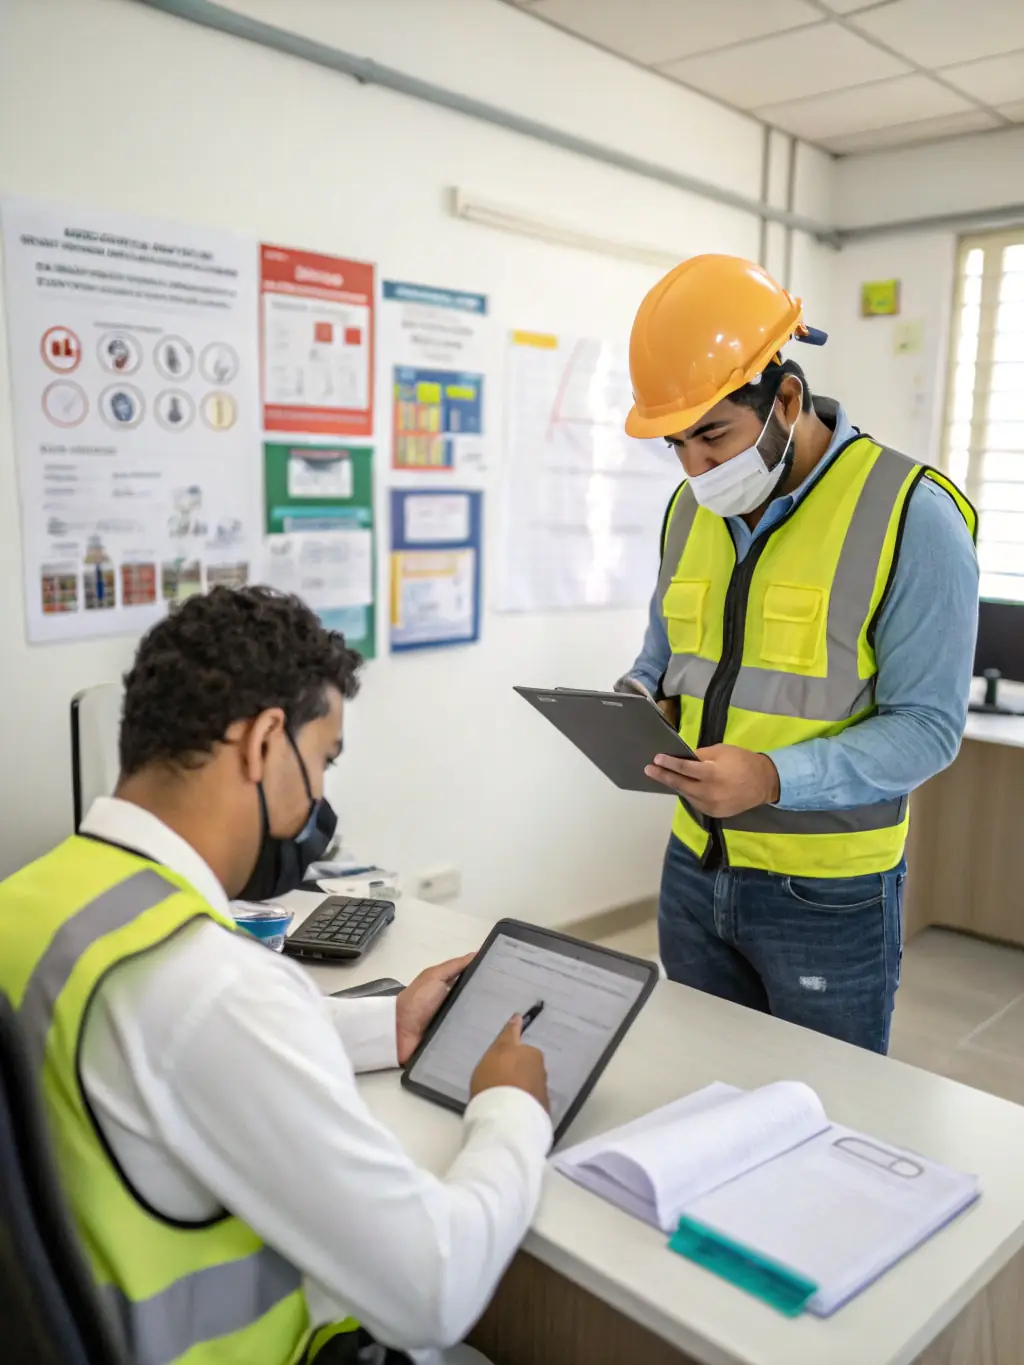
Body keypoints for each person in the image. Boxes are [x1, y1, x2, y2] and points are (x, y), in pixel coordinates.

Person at [0, 587, 551, 1365]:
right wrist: (510, 1109)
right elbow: (437, 1289)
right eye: (322, 760)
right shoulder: (216, 984)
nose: (321, 797)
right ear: (263, 743)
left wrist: (382, 1024)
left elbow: (149, 1049)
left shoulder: (28, 899)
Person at [618, 254, 978, 1054]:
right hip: (694, 869)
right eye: (676, 443)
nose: (696, 468)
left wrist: (774, 777)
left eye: (712, 434)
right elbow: (664, 657)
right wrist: (642, 696)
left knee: (826, 1117)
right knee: (704, 1091)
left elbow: (927, 728)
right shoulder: (690, 510)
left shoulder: (912, 514)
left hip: (827, 896)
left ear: (786, 396)